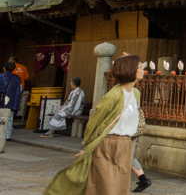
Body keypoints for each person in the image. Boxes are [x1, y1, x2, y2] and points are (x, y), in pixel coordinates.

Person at [44, 54, 144, 195]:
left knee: (121, 186)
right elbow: (95, 122)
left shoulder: (135, 93)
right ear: (130, 70)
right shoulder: (113, 96)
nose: (143, 69)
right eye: (139, 66)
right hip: (107, 144)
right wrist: (87, 146)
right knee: (104, 186)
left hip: (125, 144)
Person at [1, 60, 24, 140]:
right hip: (12, 100)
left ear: (4, 68)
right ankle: (7, 135)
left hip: (1, 100)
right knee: (9, 118)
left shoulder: (1, 76)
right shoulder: (18, 78)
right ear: (14, 69)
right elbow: (20, 90)